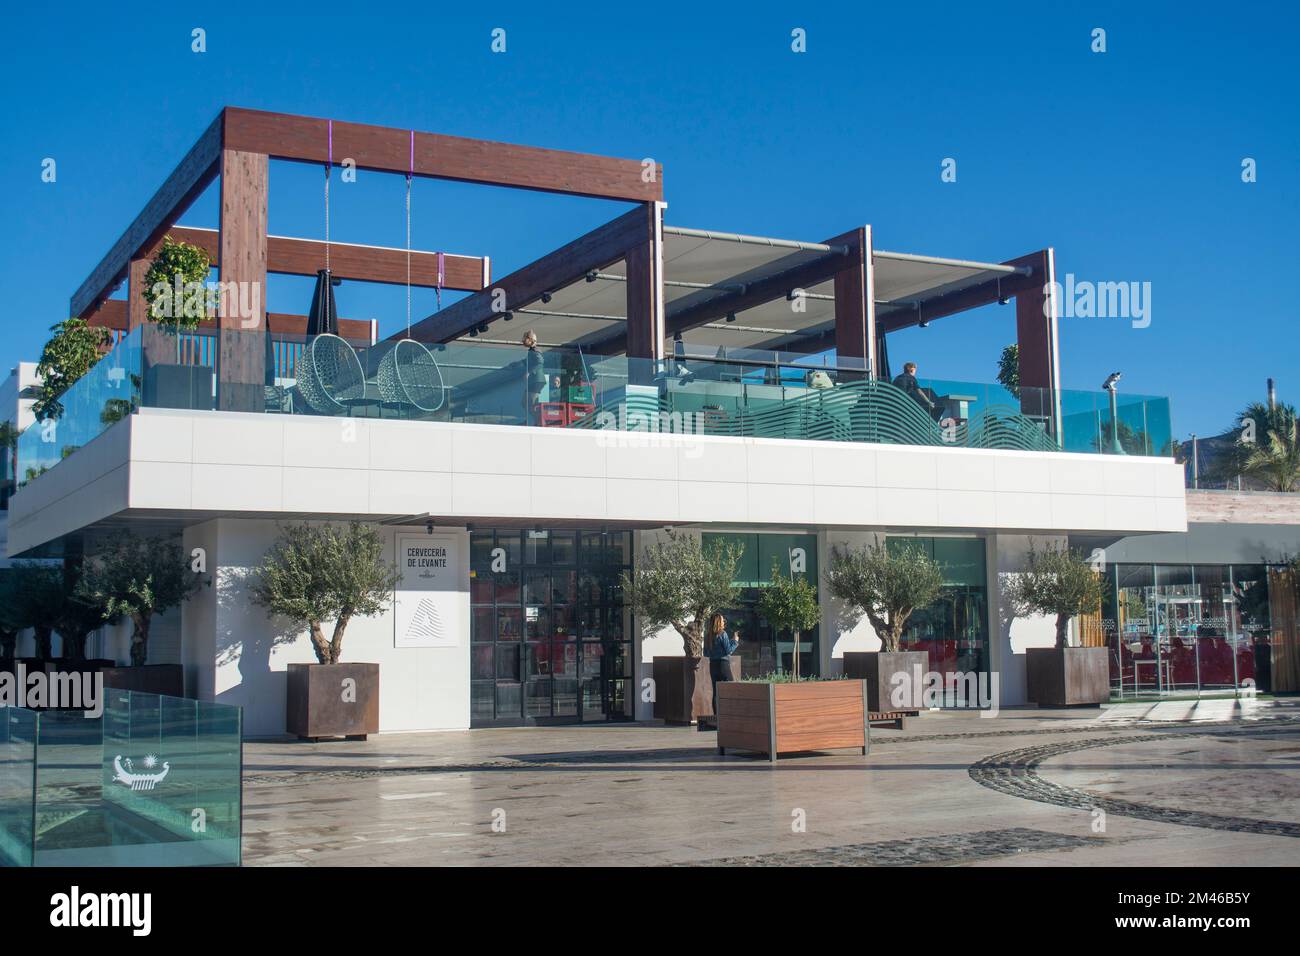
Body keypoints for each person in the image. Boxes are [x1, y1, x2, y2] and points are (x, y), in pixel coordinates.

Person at [704, 612, 740, 722]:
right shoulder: (722, 634)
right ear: (719, 622)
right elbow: (728, 651)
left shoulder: (707, 636)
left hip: (713, 665)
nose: (724, 622)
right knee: (731, 689)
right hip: (723, 665)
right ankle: (730, 716)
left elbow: (706, 653)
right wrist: (735, 641)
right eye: (723, 620)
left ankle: (717, 717)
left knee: (716, 692)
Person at [522, 329, 545, 422]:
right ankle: (536, 419)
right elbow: (528, 362)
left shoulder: (535, 351)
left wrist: (529, 372)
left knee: (531, 403)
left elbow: (540, 362)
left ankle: (539, 420)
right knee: (525, 402)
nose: (523, 341)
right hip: (534, 381)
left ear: (530, 340)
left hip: (537, 381)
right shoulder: (531, 351)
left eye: (525, 338)